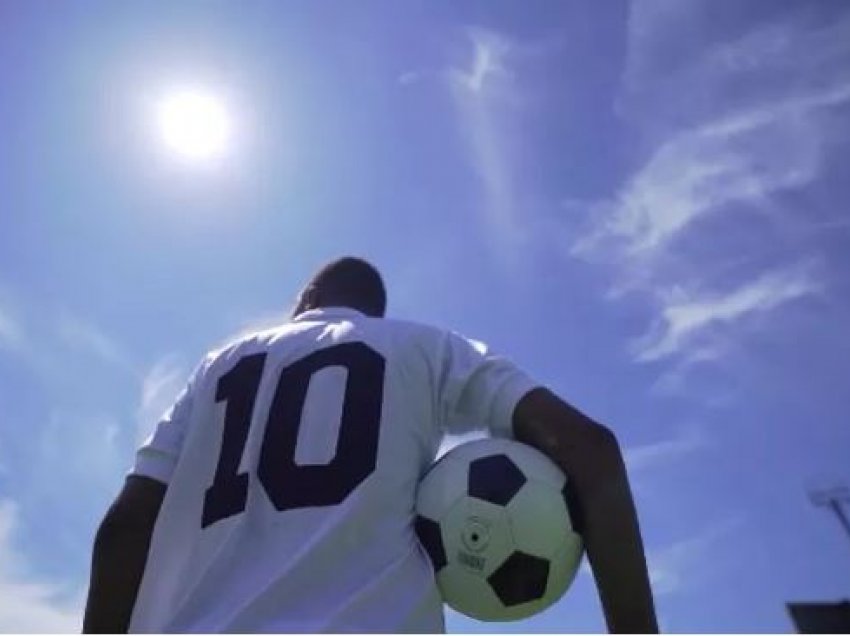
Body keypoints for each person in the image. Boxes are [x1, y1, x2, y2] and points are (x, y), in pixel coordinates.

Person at [83, 256, 658, 633]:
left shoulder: (218, 368)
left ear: (304, 300)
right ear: (372, 312)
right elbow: (590, 448)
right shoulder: (427, 350)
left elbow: (124, 529)